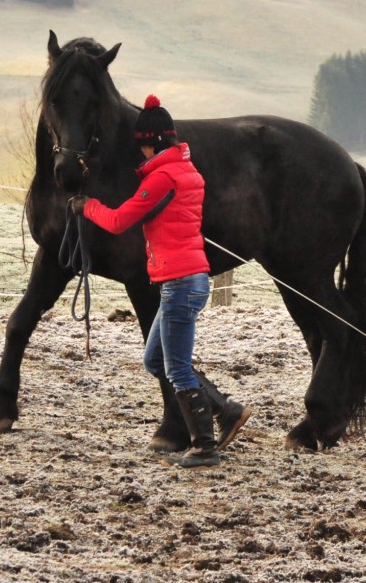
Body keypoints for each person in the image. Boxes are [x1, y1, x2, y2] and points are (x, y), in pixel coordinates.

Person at [70, 95, 251, 468]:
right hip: (186, 279)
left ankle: (204, 446)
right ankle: (224, 409)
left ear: (148, 141)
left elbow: (120, 221)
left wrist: (85, 206)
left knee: (177, 367)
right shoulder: (186, 171)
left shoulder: (162, 178)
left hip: (180, 282)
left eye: (142, 143)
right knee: (156, 360)